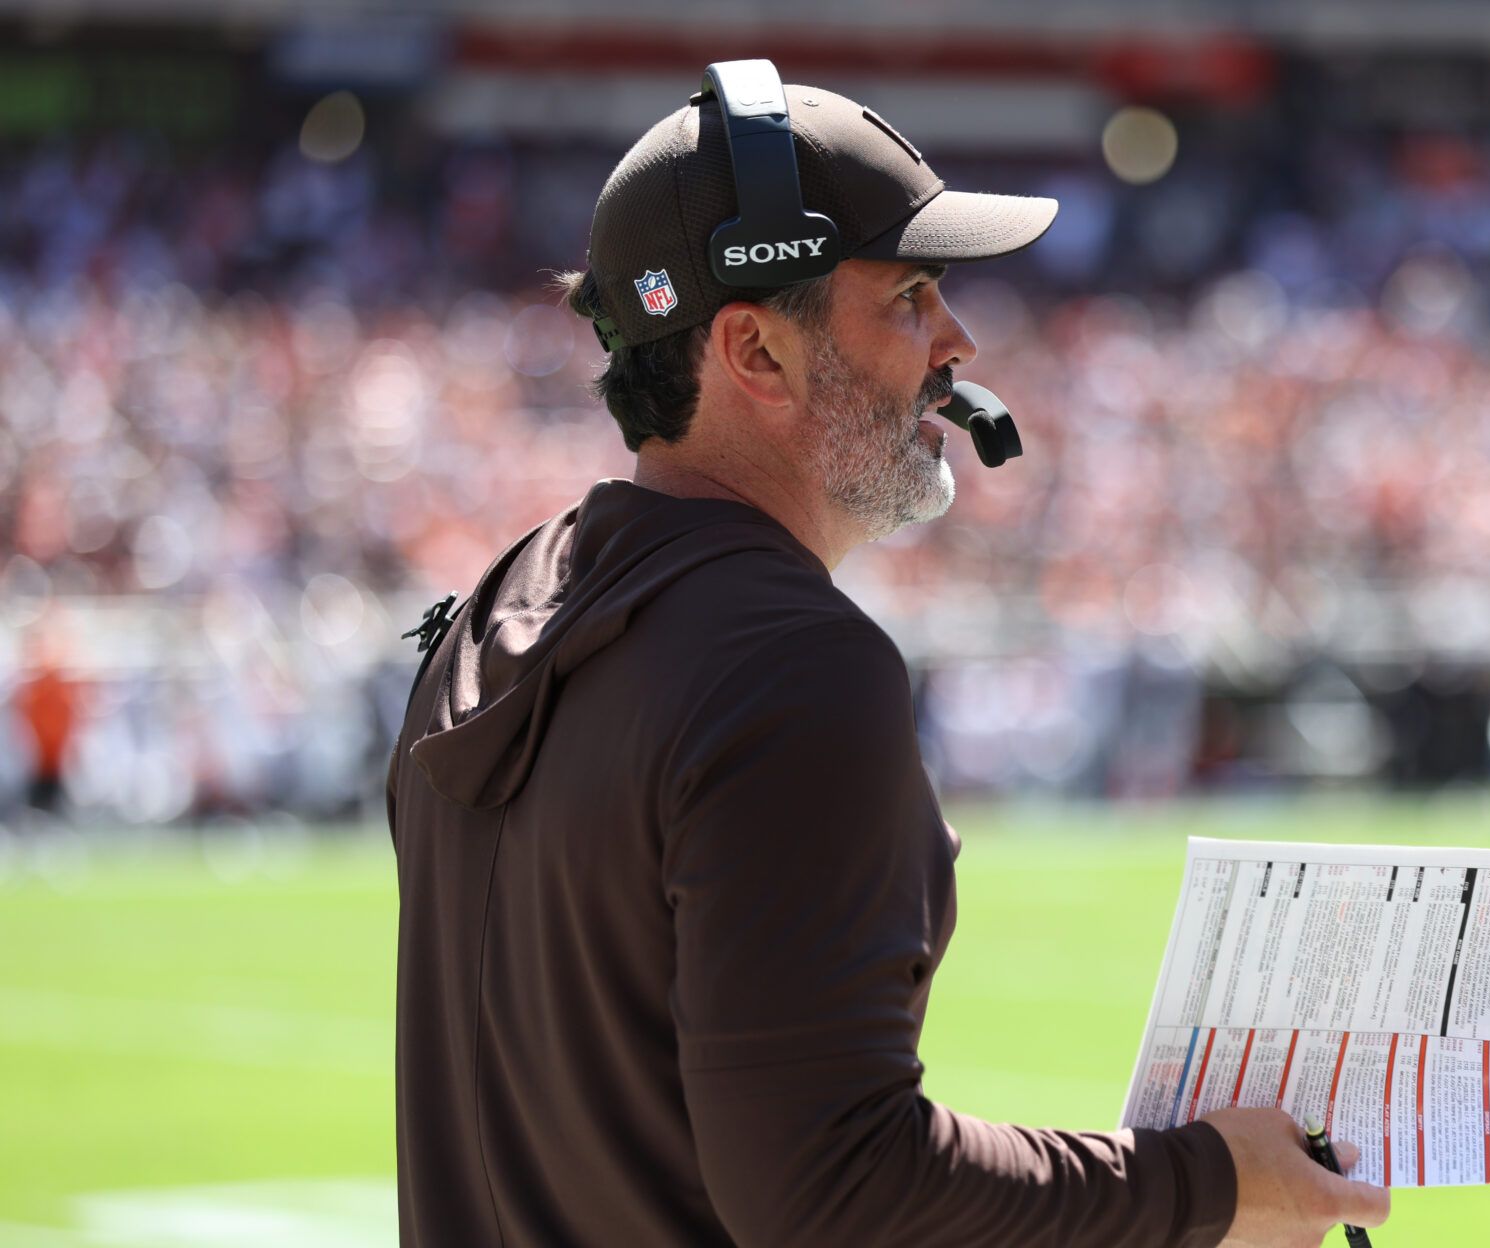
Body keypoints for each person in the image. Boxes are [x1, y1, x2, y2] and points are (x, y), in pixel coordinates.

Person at [387, 67, 1389, 1248]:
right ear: (755, 350)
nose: (958, 342)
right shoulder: (789, 661)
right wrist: (1210, 1188)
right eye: (909, 296)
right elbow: (833, 1191)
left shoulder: (492, 613)